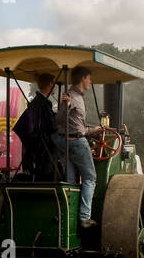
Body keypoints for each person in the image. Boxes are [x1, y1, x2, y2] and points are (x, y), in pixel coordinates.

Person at [55, 67, 99, 228]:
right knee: (90, 178)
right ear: (83, 79)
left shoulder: (77, 97)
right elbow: (60, 120)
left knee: (71, 181)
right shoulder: (71, 96)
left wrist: (92, 130)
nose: (90, 82)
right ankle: (84, 217)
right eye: (89, 79)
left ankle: (70, 217)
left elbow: (76, 126)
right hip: (75, 142)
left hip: (66, 141)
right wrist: (64, 105)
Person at [15, 73, 58, 179]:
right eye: (54, 84)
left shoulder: (36, 103)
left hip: (35, 151)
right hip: (43, 152)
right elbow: (53, 126)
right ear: (50, 84)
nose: (56, 87)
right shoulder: (42, 104)